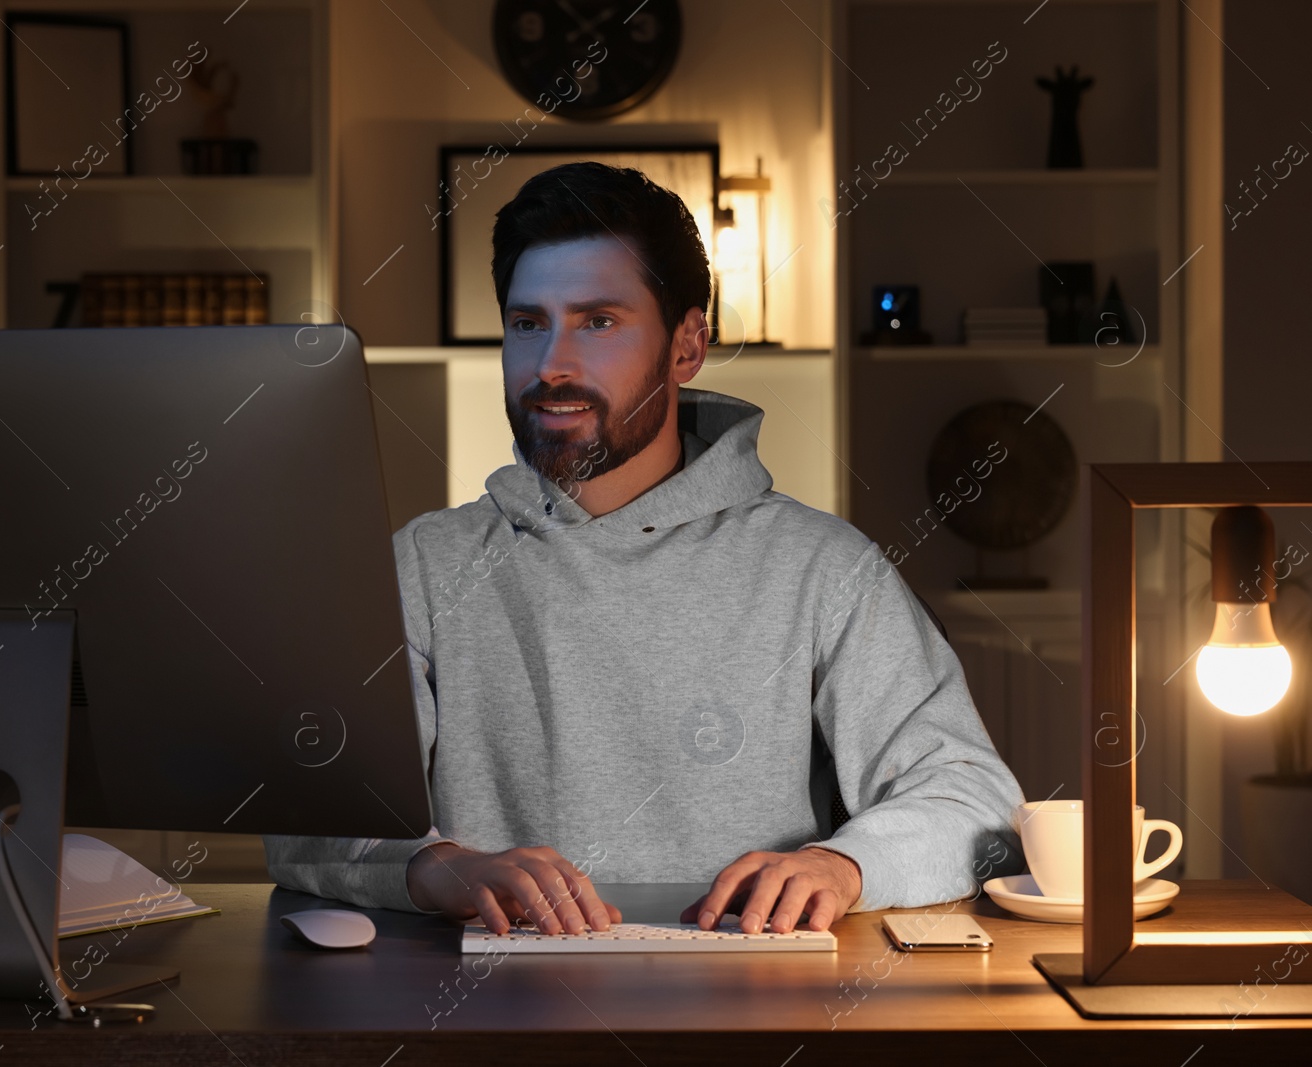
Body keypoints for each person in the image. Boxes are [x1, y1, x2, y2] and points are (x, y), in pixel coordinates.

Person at [263, 162, 1024, 937]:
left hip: (756, 1018)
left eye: (598, 322)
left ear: (688, 345)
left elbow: (974, 801)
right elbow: (303, 816)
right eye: (528, 323)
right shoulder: (424, 564)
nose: (552, 363)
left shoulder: (824, 567)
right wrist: (435, 866)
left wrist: (845, 866)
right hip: (483, 1018)